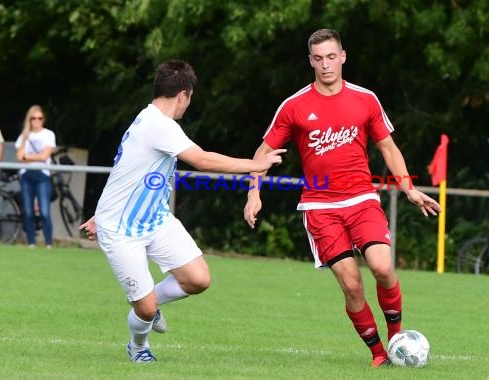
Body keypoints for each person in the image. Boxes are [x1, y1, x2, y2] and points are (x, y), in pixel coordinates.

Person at [243, 29, 441, 368]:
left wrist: (408, 188)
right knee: (352, 286)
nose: (325, 65)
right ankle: (379, 354)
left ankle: (396, 338)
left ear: (343, 57)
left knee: (382, 267)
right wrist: (253, 193)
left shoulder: (365, 99)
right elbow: (262, 152)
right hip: (320, 208)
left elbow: (388, 148)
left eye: (331, 57)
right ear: (310, 61)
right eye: (318, 59)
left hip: (362, 199)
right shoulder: (294, 106)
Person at [79, 59, 285, 363]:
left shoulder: (148, 120)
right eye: (189, 99)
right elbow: (203, 160)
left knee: (198, 279)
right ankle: (138, 346)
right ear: (183, 95)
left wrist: (102, 208)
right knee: (145, 310)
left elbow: (127, 169)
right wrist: (256, 165)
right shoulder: (158, 126)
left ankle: (149, 301)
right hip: (122, 229)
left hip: (155, 219)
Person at [15, 105, 56, 249]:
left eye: (39, 118)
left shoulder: (48, 134)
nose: (37, 121)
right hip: (26, 175)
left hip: (42, 175)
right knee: (27, 211)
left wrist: (28, 157)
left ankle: (48, 243)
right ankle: (31, 242)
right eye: (33, 118)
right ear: (29, 119)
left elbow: (45, 155)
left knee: (44, 211)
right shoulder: (24, 136)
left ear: (43, 119)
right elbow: (19, 156)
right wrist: (34, 157)